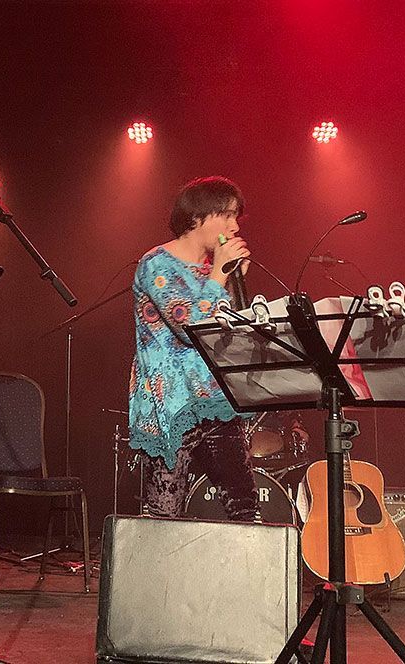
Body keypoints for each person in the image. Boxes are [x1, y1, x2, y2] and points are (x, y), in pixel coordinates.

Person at [128, 176, 258, 522]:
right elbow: (189, 327)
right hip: (172, 404)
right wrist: (218, 275)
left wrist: (230, 279)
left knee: (244, 506)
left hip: (215, 400)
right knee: (164, 512)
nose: (234, 227)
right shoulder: (156, 263)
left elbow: (228, 335)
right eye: (227, 216)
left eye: (236, 218)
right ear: (199, 217)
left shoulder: (212, 271)